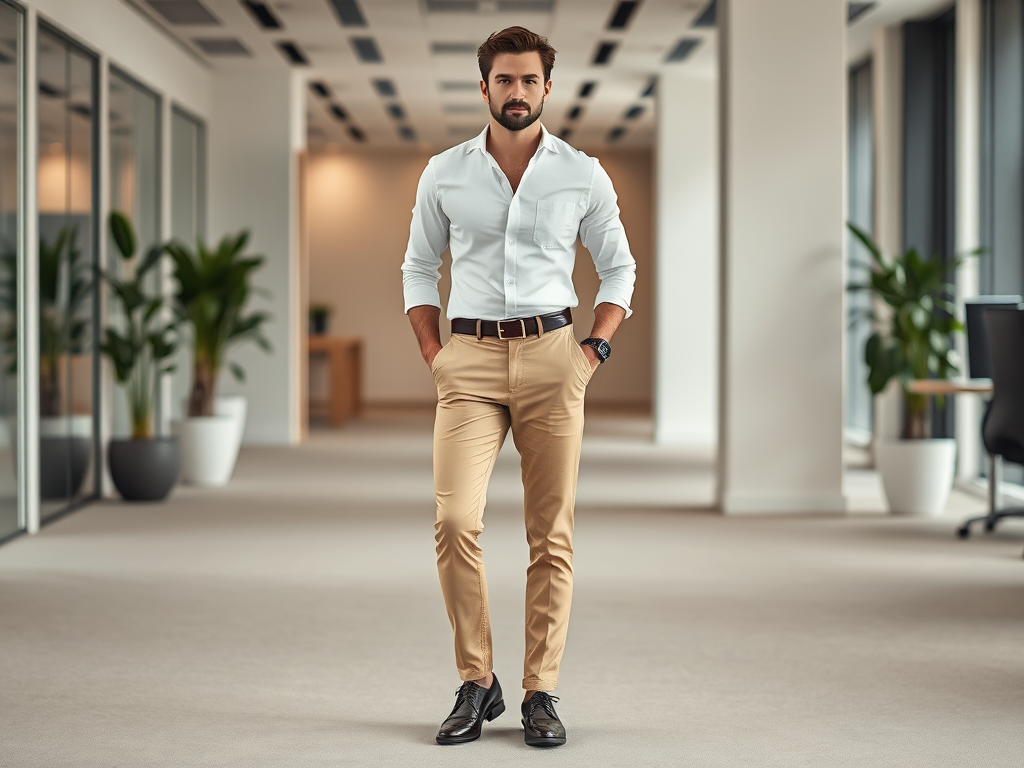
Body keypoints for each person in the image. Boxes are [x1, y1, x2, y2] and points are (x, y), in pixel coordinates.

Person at [401, 25, 636, 748]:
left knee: (550, 537)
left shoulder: (582, 173)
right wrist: (437, 354)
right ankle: (478, 680)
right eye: (503, 80)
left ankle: (540, 691)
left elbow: (619, 269)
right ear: (484, 87)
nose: (516, 91)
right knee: (454, 523)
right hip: (467, 361)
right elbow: (417, 268)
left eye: (528, 80)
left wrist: (592, 349)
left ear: (546, 89)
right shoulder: (444, 171)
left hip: (553, 357)